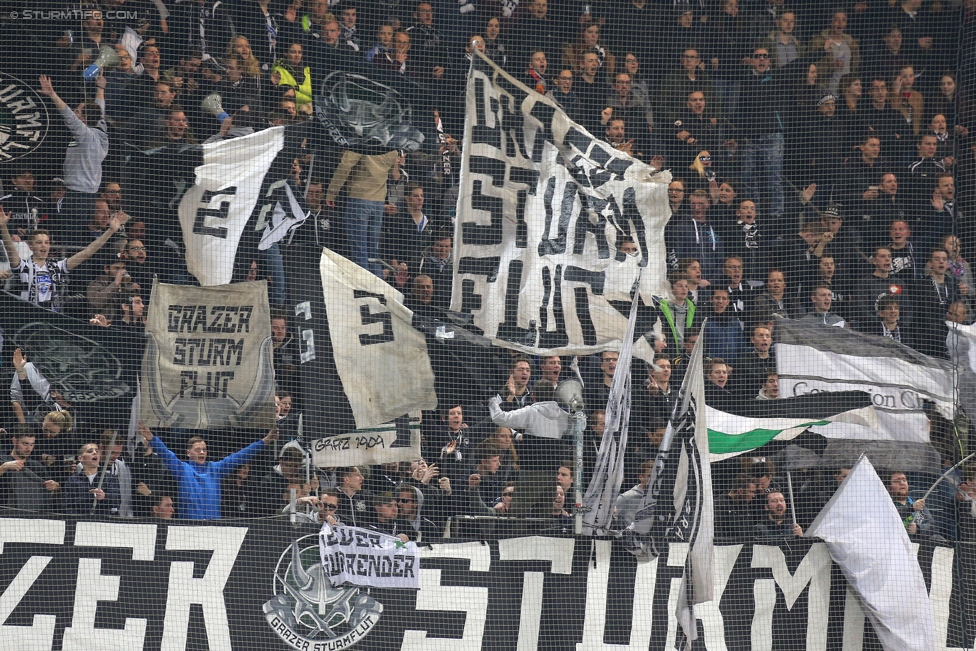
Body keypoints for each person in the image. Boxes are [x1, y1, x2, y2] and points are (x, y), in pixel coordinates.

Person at [138, 424, 277, 520]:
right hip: (187, 528)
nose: (202, 452)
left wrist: (265, 441)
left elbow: (240, 456)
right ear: (188, 453)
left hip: (213, 528)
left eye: (204, 449)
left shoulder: (215, 469)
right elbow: (166, 454)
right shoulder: (182, 469)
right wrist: (151, 437)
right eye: (198, 449)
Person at [0, 209, 126, 312]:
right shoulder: (24, 266)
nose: (43, 245)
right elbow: (10, 249)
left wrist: (110, 231)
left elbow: (87, 252)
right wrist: (3, 227)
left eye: (46, 242)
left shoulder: (56, 266)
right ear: (31, 247)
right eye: (39, 242)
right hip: (28, 318)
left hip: (52, 319)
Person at [488, 379, 571, 518]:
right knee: (544, 516)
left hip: (531, 473)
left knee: (518, 514)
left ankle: (516, 539)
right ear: (553, 396)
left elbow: (500, 418)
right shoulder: (562, 416)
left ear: (533, 396)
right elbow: (578, 428)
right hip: (552, 475)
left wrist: (493, 401)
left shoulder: (530, 412)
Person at [326, 149, 400, 278]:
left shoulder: (362, 143)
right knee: (373, 253)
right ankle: (377, 290)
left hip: (359, 199)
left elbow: (345, 165)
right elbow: (394, 174)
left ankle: (363, 290)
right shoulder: (391, 147)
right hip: (378, 203)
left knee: (359, 252)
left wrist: (332, 192)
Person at [0, 430, 61, 511]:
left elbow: (51, 495)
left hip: (34, 516)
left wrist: (55, 487)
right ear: (14, 441)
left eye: (32, 444)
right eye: (25, 444)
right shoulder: (3, 462)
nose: (28, 449)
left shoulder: (37, 467)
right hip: (5, 515)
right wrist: (3, 468)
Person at [63, 442, 121, 516]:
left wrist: (104, 496)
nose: (95, 453)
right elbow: (66, 504)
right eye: (90, 451)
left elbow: (118, 500)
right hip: (80, 522)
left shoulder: (109, 478)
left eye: (97, 451)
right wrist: (91, 496)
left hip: (103, 522)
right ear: (80, 458)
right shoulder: (72, 480)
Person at [889, 471, 934, 538]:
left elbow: (932, 526)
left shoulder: (918, 504)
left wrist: (918, 529)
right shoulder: (887, 505)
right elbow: (889, 519)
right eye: (896, 481)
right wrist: (911, 508)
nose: (902, 483)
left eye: (904, 480)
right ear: (888, 488)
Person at [715, 475, 757, 541]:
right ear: (740, 491)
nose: (753, 496)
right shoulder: (719, 505)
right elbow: (718, 533)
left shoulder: (745, 506)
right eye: (751, 492)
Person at [614, 459, 653, 528]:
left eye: (655, 477)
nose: (653, 480)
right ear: (641, 477)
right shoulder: (627, 497)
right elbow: (608, 516)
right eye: (649, 476)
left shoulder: (660, 498)